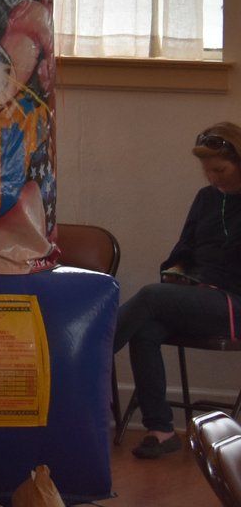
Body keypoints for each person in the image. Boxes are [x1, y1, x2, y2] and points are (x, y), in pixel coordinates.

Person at [114, 124, 241, 458]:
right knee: (145, 328)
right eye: (207, 171)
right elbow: (183, 250)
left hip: (234, 303)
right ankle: (161, 429)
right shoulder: (206, 198)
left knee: (151, 296)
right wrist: (177, 273)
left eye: (220, 170)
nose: (212, 178)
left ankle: (87, 357)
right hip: (202, 296)